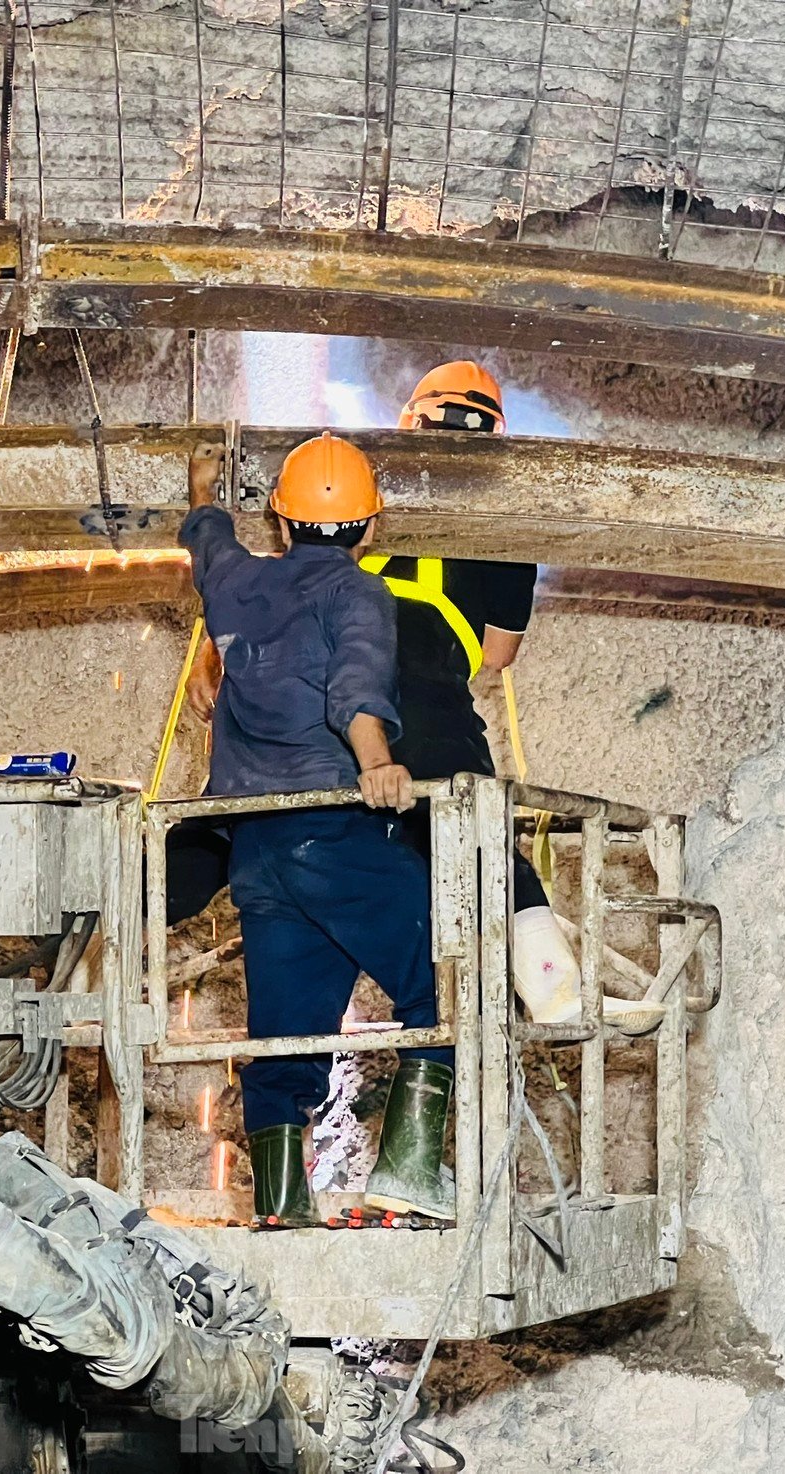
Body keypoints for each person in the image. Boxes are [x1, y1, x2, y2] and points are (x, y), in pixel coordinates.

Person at [173, 360, 597, 1025]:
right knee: (474, 839)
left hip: (312, 685)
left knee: (233, 825)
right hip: (426, 697)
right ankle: (553, 987)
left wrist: (213, 658)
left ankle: (103, 922)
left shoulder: (360, 485)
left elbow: (273, 591)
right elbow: (498, 653)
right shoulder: (501, 516)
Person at [181, 433, 457, 1226]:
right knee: (446, 973)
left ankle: (278, 1202)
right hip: (330, 833)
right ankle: (408, 1169)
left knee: (285, 1028)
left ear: (279, 519)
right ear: (372, 528)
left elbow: (209, 544)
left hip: (256, 851)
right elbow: (357, 688)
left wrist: (204, 488)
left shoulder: (236, 587)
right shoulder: (359, 595)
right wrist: (377, 762)